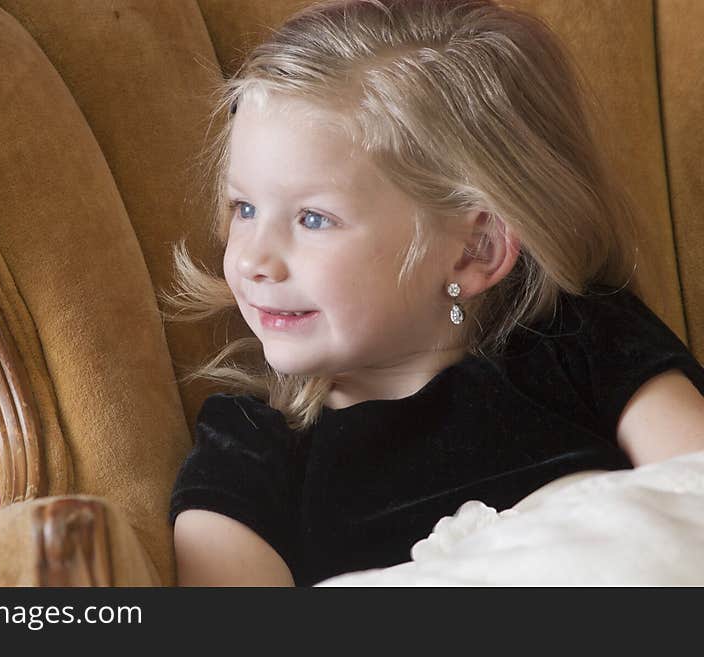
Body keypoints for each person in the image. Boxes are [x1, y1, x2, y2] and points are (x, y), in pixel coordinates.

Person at [158, 0, 704, 586]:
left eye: (314, 219)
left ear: (476, 251)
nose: (252, 259)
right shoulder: (250, 449)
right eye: (244, 207)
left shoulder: (585, 340)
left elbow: (692, 492)